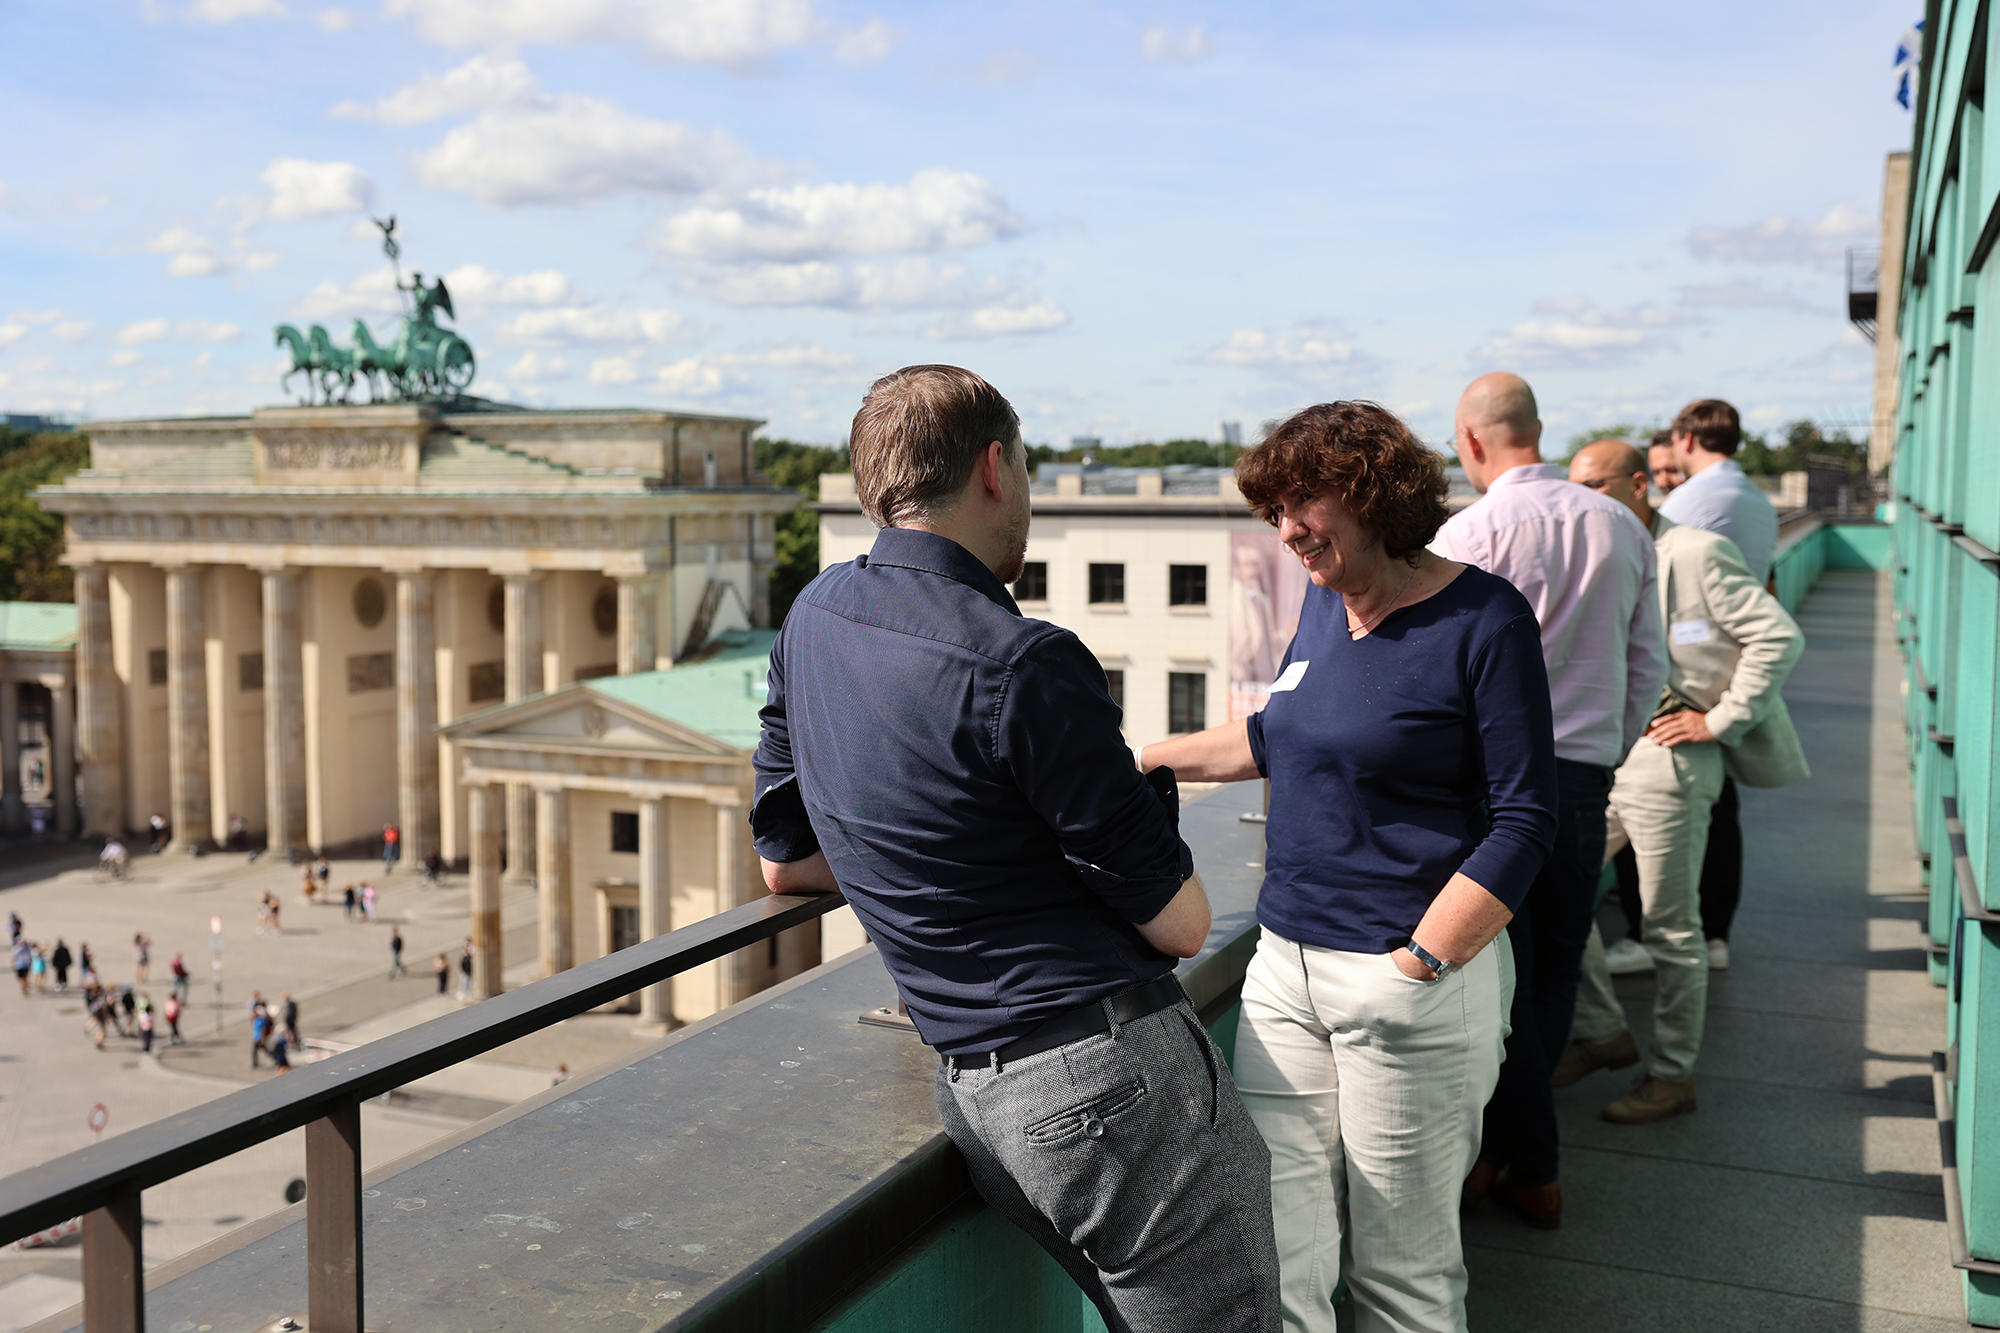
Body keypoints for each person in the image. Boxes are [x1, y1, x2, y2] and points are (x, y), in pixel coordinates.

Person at [752, 364, 1280, 1333]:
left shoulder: (812, 618)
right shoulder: (1023, 658)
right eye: (1028, 469)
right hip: (1113, 1095)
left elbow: (785, 863)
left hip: (979, 1097)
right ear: (994, 467)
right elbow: (1180, 922)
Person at [1145, 401, 1555, 1331]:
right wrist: (1139, 759)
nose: (1288, 529)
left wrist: (1422, 962)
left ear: (1376, 496)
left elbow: (1526, 819)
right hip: (1283, 970)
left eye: (1305, 504)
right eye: (1275, 510)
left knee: (1401, 1276)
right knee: (1280, 1253)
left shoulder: (1483, 619)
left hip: (1407, 980)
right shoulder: (1326, 608)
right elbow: (1275, 732)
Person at [1433, 373, 1667, 1229]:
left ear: (1470, 442)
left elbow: (1446, 672)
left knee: (1497, 984)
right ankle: (1514, 1156)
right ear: (1539, 429)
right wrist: (1608, 745)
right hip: (1581, 779)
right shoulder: (1622, 524)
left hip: (1492, 783)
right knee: (1555, 969)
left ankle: (1528, 1165)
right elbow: (1650, 662)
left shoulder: (1470, 530)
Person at [1565, 441, 1809, 1120]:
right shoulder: (1598, 552)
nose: (1586, 500)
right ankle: (1602, 1028)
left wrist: (1720, 719)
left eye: (1600, 485)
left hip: (1673, 757)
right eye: (1576, 487)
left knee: (1672, 928)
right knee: (1554, 884)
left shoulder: (1695, 550)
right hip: (1609, 754)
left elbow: (1777, 637)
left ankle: (1672, 1074)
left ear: (1641, 484)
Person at [1659, 399, 1780, 972]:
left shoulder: (1689, 502)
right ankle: (1716, 932)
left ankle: (1664, 933)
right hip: (1726, 667)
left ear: (1685, 438)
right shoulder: (1755, 498)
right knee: (1720, 810)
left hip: (1691, 680)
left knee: (1678, 816)